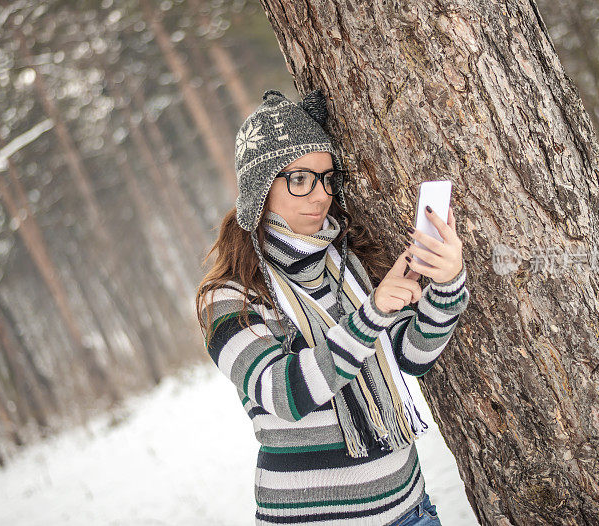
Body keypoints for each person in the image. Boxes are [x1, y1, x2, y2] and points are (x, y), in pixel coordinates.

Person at [195, 88, 470, 526]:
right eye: (299, 179)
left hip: (409, 510)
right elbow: (284, 394)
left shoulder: (346, 266)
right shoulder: (230, 299)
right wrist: (372, 315)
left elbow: (409, 357)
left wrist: (447, 282)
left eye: (326, 178)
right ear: (260, 187)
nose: (320, 195)